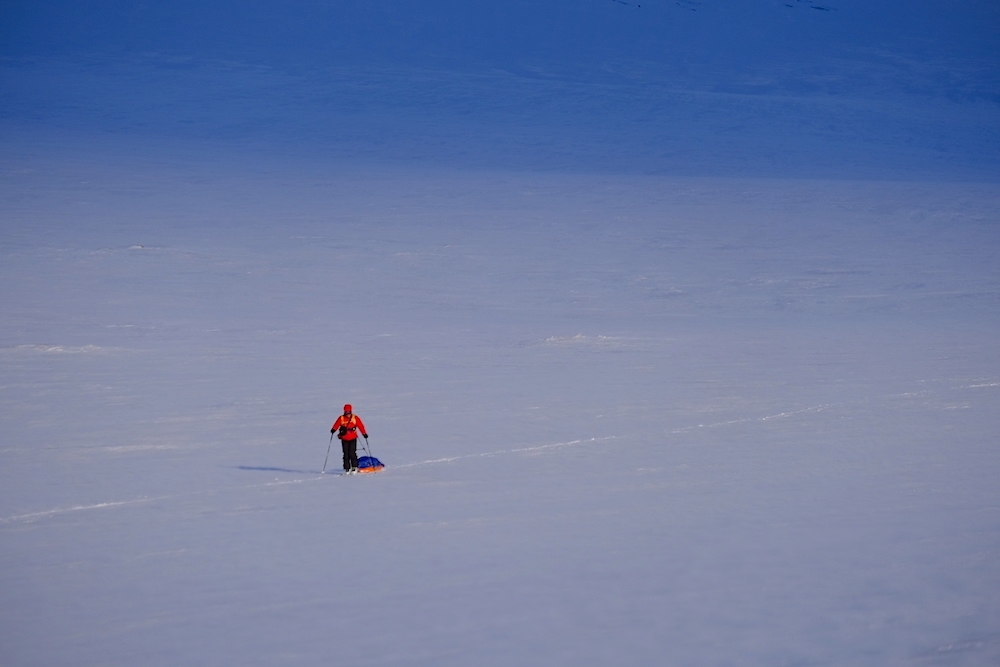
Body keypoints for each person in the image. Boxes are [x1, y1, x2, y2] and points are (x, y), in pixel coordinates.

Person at [331, 404, 368, 474]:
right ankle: (347, 468)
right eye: (346, 412)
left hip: (353, 438)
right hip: (344, 439)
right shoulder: (341, 418)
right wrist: (333, 429)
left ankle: (354, 467)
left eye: (349, 412)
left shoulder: (355, 418)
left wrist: (364, 433)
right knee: (345, 454)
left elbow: (360, 426)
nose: (347, 414)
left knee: (352, 453)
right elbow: (336, 424)